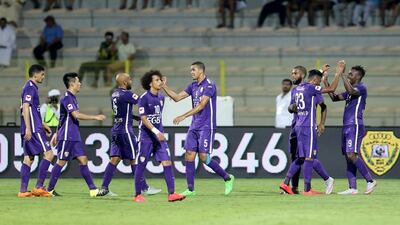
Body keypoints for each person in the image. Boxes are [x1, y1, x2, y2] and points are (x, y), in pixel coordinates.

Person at [162, 61, 235, 197]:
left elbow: (202, 105)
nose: (191, 72)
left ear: (201, 71)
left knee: (204, 157)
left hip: (207, 126)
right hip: (194, 125)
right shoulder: (193, 86)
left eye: (193, 70)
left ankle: (228, 178)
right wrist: (164, 86)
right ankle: (190, 189)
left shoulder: (209, 85)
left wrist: (183, 116)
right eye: (191, 70)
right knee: (189, 155)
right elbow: (177, 97)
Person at [280, 62, 344, 195]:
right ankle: (307, 189)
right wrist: (338, 74)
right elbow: (331, 89)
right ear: (315, 81)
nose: (318, 84)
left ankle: (285, 183)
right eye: (319, 81)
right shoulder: (311, 88)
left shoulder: (296, 89)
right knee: (309, 157)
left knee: (300, 157)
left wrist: (320, 71)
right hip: (307, 126)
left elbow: (321, 104)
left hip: (298, 126)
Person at [97, 73, 161, 197]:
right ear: (125, 82)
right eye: (130, 79)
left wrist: (135, 117)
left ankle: (104, 187)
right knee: (135, 159)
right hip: (125, 131)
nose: (131, 81)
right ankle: (144, 188)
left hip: (116, 130)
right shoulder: (127, 94)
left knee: (115, 159)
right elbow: (142, 100)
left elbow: (122, 112)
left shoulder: (114, 94)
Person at [47, 72, 106, 197]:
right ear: (72, 83)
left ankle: (93, 190)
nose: (80, 84)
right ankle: (49, 190)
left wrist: (56, 133)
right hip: (68, 136)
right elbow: (76, 115)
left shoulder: (72, 98)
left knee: (83, 159)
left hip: (74, 135)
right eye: (78, 81)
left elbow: (62, 118)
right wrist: (95, 117)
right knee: (61, 161)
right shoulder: (67, 98)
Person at [133, 70, 186, 202]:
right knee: (141, 164)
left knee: (167, 162)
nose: (159, 82)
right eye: (157, 80)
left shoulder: (161, 98)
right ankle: (137, 195)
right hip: (146, 137)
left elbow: (156, 118)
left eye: (160, 80)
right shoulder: (144, 98)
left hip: (158, 137)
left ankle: (172, 194)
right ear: (150, 83)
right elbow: (144, 119)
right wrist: (156, 132)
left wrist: (158, 132)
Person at [325, 65, 377, 195]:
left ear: (358, 76)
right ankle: (352, 188)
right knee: (348, 157)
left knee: (351, 154)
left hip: (355, 124)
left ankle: (370, 181)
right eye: (348, 73)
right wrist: (325, 80)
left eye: (351, 74)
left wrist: (341, 74)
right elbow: (334, 98)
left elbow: (351, 90)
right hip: (347, 125)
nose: (348, 75)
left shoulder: (361, 88)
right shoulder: (350, 91)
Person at [18, 64, 54, 198]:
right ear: (35, 75)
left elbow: (32, 109)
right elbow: (25, 107)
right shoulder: (30, 87)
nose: (43, 77)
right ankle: (39, 187)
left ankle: (23, 191)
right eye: (42, 74)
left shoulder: (29, 87)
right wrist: (29, 128)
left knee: (29, 158)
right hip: (33, 128)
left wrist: (43, 123)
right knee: (49, 154)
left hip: (33, 126)